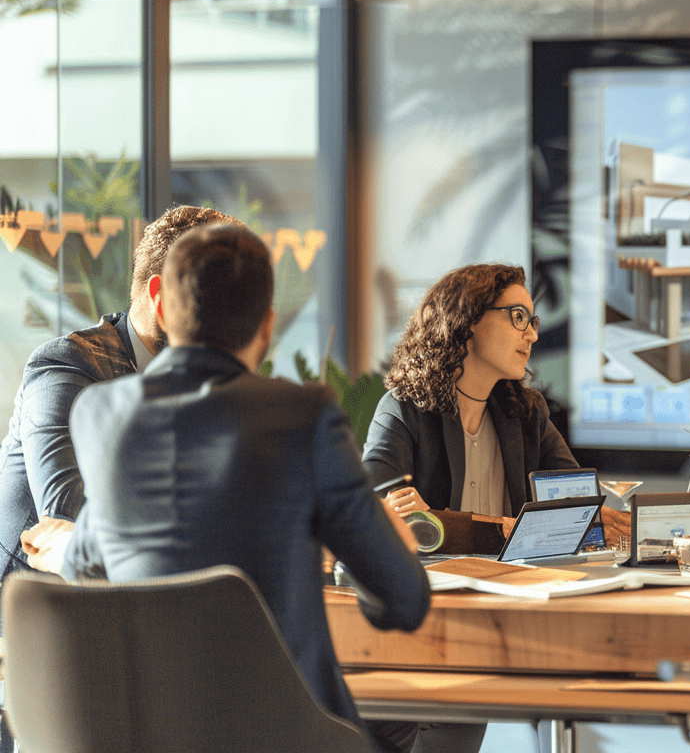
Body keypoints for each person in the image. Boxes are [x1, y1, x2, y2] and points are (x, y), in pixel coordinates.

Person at [23, 223, 431, 750]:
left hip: (146, 735)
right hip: (286, 737)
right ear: (267, 326)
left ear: (164, 308)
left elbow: (99, 560)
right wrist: (388, 532)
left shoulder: (101, 415)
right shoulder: (303, 414)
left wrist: (69, 545)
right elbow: (404, 600)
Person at [0, 205, 241, 588]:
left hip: (141, 612)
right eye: (217, 307)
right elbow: (65, 520)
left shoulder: (204, 385)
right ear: (162, 299)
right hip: (32, 623)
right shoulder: (66, 367)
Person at [363, 263, 578, 525]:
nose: (532, 335)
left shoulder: (528, 412)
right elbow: (379, 518)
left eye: (532, 321)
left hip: (518, 568)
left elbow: (577, 502)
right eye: (518, 317)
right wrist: (502, 528)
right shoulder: (402, 411)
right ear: (469, 319)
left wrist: (438, 519)